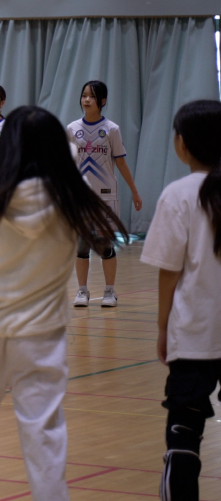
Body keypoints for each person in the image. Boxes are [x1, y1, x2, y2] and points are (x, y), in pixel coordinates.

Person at [0, 105, 126, 501]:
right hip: (41, 339)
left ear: (7, 147)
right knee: (44, 439)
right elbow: (69, 153)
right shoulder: (71, 202)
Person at [139, 100, 221, 501]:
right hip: (198, 335)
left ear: (182, 144)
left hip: (193, 335)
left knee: (184, 436)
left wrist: (162, 327)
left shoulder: (178, 195)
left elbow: (169, 271)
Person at [67, 80, 141, 308]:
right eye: (84, 95)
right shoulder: (72, 129)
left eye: (92, 96)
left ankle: (110, 291)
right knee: (82, 245)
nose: (86, 100)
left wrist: (135, 192)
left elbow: (121, 163)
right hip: (81, 198)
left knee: (105, 245)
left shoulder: (112, 129)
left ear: (103, 101)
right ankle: (82, 291)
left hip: (106, 196)